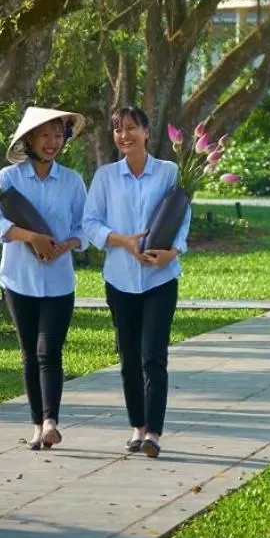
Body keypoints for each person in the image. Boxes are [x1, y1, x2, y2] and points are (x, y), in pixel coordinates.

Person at [83, 105, 189, 458]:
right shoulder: (105, 177)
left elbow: (182, 215)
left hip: (161, 278)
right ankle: (137, 428)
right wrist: (123, 240)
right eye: (117, 129)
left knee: (153, 356)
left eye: (131, 128)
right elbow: (90, 223)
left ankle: (154, 434)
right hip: (120, 278)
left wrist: (173, 251)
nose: (124, 135)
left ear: (146, 131)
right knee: (129, 356)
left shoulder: (169, 172)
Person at [0, 106, 88, 451]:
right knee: (30, 353)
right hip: (19, 280)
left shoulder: (73, 181)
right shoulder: (7, 179)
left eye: (58, 135)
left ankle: (51, 422)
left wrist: (66, 245)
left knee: (50, 351)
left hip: (60, 281)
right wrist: (32, 237)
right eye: (45, 135)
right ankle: (36, 426)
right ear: (28, 139)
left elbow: (83, 227)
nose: (52, 142)